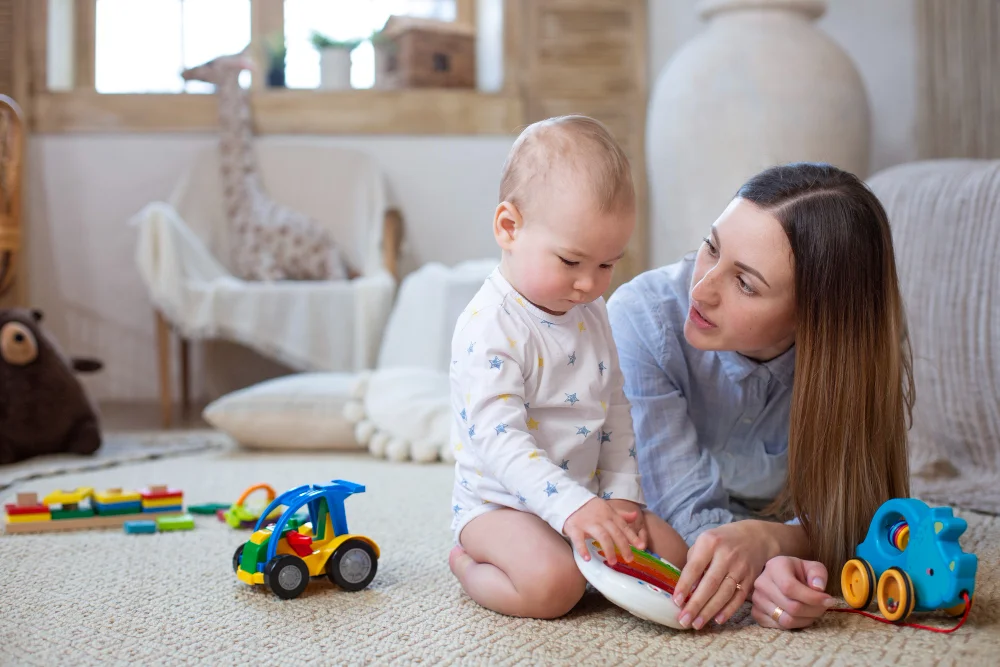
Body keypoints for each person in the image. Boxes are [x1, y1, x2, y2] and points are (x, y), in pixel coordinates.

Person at [606, 162, 914, 631]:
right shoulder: (643, 319)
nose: (702, 289)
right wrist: (773, 550)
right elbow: (686, 517)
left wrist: (772, 545)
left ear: (815, 319)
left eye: (746, 283)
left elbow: (862, 515)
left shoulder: (849, 361)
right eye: (712, 247)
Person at [447, 115, 690, 619]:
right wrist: (570, 509)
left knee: (674, 557)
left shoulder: (591, 311)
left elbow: (616, 408)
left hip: (585, 494)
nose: (589, 284)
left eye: (607, 264)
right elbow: (499, 440)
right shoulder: (490, 326)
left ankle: (583, 543)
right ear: (508, 227)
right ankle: (466, 563)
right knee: (554, 587)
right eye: (571, 261)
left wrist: (622, 494)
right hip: (502, 506)